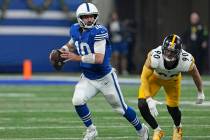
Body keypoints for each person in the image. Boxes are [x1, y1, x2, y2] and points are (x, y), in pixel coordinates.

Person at [49, 3, 149, 140]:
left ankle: (141, 129)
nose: (89, 20)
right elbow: (72, 42)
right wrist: (62, 51)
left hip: (105, 78)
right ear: (79, 18)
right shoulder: (74, 29)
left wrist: (75, 57)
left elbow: (99, 58)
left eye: (92, 16)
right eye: (86, 17)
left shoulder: (100, 31)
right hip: (88, 77)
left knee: (121, 108)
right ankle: (91, 130)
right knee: (77, 100)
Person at [137, 34, 205, 140]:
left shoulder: (186, 60)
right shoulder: (155, 55)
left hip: (173, 81)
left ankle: (178, 128)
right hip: (155, 78)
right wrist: (149, 99)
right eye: (167, 50)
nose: (169, 54)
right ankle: (157, 130)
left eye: (173, 52)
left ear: (179, 52)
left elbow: (195, 74)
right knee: (142, 104)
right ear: (163, 48)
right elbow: (144, 77)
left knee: (172, 108)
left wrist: (200, 91)